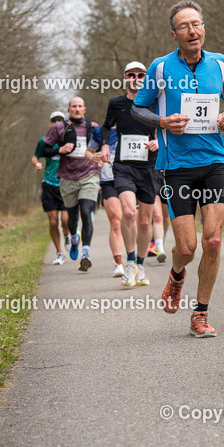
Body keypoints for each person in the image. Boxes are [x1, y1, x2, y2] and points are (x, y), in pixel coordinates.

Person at [133, 0, 224, 338]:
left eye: (196, 24)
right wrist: (163, 121)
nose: (192, 31)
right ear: (174, 34)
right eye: (184, 26)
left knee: (212, 241)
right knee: (185, 248)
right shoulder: (161, 68)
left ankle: (201, 313)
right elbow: (139, 109)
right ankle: (176, 277)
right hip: (176, 166)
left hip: (214, 162)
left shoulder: (221, 63)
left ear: (204, 28)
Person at [96, 62, 160, 286]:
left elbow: (165, 128)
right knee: (129, 213)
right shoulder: (116, 103)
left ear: (146, 78)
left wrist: (157, 142)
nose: (136, 78)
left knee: (144, 222)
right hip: (123, 166)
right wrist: (104, 146)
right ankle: (130, 261)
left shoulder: (155, 102)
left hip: (149, 167)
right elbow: (106, 127)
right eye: (131, 75)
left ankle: (141, 266)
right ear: (125, 77)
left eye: (141, 75)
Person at [42, 97, 100, 272]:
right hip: (68, 178)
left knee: (86, 211)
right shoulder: (60, 128)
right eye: (73, 106)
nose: (76, 109)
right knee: (72, 220)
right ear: (68, 109)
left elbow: (104, 146)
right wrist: (59, 150)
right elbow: (44, 150)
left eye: (79, 106)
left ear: (84, 109)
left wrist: (102, 159)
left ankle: (86, 254)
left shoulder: (93, 127)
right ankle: (74, 238)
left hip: (89, 176)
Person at [30, 110, 69, 265]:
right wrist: (37, 163)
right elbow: (35, 156)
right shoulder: (43, 141)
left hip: (65, 184)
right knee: (53, 222)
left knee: (65, 221)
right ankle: (59, 252)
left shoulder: (68, 140)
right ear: (50, 123)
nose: (57, 123)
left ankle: (67, 235)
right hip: (49, 184)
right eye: (55, 120)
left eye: (60, 120)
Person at [90, 126, 127, 277]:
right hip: (109, 181)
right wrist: (94, 157)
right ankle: (119, 263)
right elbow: (88, 151)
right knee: (116, 221)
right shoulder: (100, 131)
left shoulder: (133, 124)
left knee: (130, 219)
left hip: (131, 179)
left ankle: (133, 258)